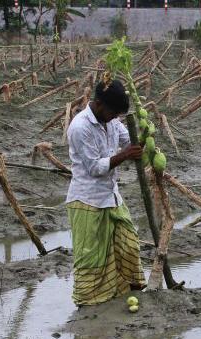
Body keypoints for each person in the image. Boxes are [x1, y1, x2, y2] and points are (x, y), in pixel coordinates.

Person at [66, 78, 146, 307]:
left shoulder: (111, 121)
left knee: (129, 244)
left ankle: (130, 290)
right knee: (92, 258)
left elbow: (129, 139)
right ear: (99, 104)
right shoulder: (80, 127)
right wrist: (126, 154)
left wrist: (145, 136)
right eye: (113, 112)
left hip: (111, 196)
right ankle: (88, 303)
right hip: (87, 200)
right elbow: (95, 168)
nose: (114, 118)